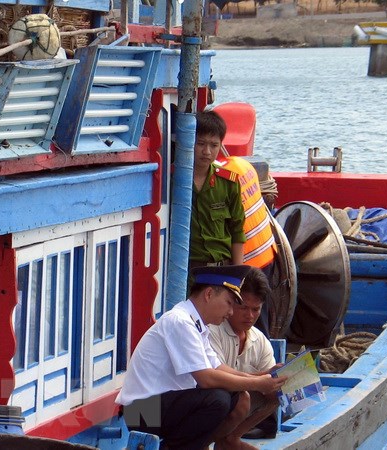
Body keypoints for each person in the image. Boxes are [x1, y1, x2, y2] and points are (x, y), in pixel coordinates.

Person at [116, 265, 287, 450]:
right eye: (229, 303)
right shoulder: (180, 321)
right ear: (209, 294)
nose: (231, 312)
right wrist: (258, 384)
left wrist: (262, 377)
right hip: (140, 413)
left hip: (156, 408)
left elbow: (218, 368)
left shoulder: (197, 326)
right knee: (217, 399)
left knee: (237, 397)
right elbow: (206, 378)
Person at [209, 266, 280, 440]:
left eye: (256, 309)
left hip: (229, 407)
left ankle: (232, 438)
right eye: (244, 307)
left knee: (278, 393)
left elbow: (269, 385)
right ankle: (208, 442)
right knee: (240, 398)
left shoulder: (260, 340)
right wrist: (261, 379)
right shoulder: (211, 329)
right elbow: (212, 378)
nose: (250, 316)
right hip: (147, 407)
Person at [216, 155, 278, 337]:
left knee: (246, 315)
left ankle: (255, 350)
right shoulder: (243, 165)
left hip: (247, 261)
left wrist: (236, 273)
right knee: (258, 313)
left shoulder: (220, 181)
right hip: (267, 252)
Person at [189, 111, 246, 272]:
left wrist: (238, 274)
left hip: (221, 270)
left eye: (214, 145)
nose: (207, 151)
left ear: (221, 145)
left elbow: (237, 230)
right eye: (201, 143)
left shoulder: (229, 182)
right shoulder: (172, 181)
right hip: (185, 272)